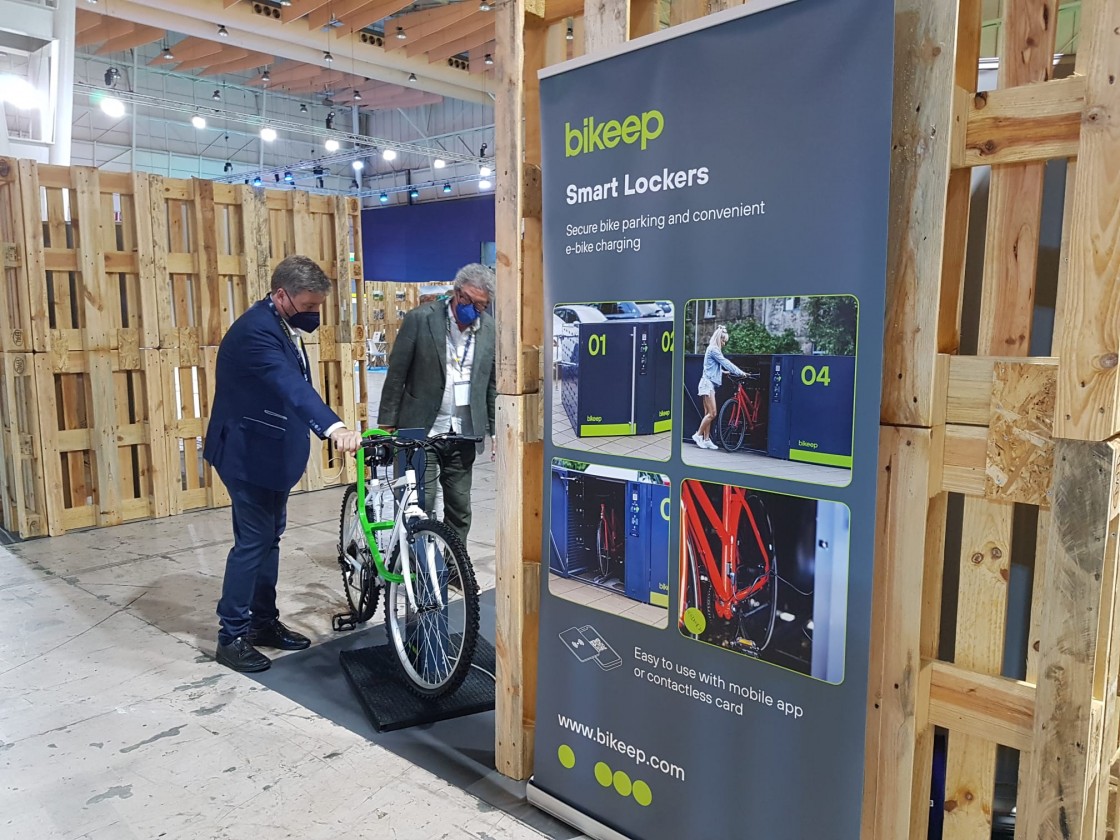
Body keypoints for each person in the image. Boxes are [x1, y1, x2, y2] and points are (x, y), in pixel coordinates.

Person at [204, 255, 363, 673]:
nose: (314, 314)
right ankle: (231, 636)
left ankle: (262, 622)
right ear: (281, 295)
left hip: (268, 452)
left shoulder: (280, 323)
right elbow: (290, 385)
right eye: (308, 306)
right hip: (246, 454)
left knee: (268, 539)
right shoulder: (256, 331)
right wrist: (334, 427)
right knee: (253, 542)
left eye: (318, 306)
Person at [378, 263, 497, 546]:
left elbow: (491, 383)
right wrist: (387, 424)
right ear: (457, 293)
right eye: (469, 300)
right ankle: (417, 567)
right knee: (420, 504)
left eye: (481, 305)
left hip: (463, 433)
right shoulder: (420, 319)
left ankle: (455, 566)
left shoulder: (490, 329)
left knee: (460, 508)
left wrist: (494, 431)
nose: (474, 309)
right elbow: (397, 373)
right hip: (421, 429)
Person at [694, 325, 746, 450]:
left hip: (707, 383)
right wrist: (740, 372)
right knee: (712, 413)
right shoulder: (714, 350)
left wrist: (723, 372)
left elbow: (710, 367)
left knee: (708, 413)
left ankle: (707, 439)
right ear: (719, 339)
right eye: (723, 341)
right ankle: (698, 435)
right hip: (707, 384)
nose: (724, 343)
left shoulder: (711, 349)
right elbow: (725, 362)